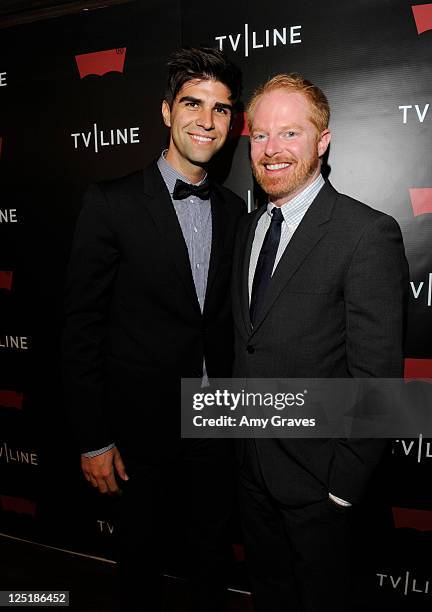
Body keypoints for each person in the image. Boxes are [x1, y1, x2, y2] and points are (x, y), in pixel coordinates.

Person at [63, 47, 245, 612]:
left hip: (218, 422)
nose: (206, 121)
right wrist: (93, 437)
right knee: (140, 566)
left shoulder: (237, 210)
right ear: (166, 111)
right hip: (139, 432)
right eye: (193, 104)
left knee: (212, 563)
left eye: (220, 110)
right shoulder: (111, 203)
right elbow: (81, 327)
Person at [231, 74, 408, 612]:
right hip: (250, 473)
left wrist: (342, 488)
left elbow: (378, 381)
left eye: (290, 133)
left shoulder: (365, 233)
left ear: (323, 141)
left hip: (321, 489)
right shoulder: (249, 229)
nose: (272, 150)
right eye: (260, 136)